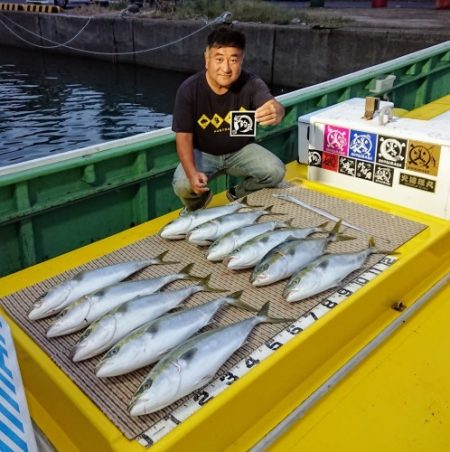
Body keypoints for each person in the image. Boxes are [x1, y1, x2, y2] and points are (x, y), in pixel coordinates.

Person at [171, 26, 286, 213]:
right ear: (206, 59)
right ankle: (196, 206)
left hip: (241, 150)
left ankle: (237, 193)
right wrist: (192, 174)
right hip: (204, 153)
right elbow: (183, 137)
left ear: (242, 61)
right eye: (219, 59)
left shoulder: (251, 83)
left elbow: (271, 103)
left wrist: (277, 110)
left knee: (276, 171)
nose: (226, 68)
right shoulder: (189, 89)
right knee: (183, 184)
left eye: (233, 60)